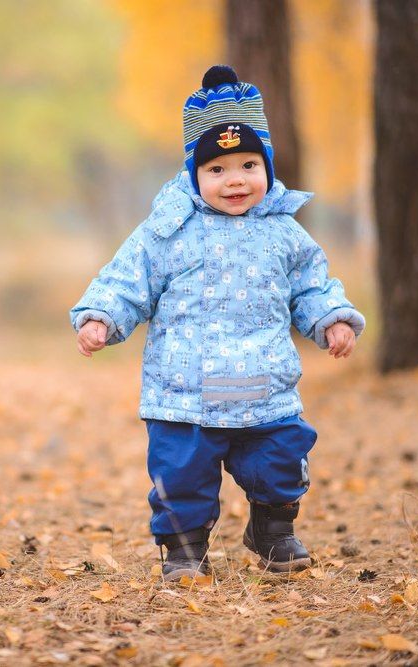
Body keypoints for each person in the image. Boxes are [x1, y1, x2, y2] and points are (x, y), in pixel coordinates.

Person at [69, 65, 364, 580]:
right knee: (181, 477)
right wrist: (103, 317)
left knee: (280, 462)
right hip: (183, 392)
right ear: (193, 175)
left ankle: (273, 531)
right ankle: (184, 550)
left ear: (268, 167)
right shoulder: (167, 230)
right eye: (217, 170)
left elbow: (312, 284)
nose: (235, 180)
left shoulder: (284, 232)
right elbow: (127, 279)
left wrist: (330, 320)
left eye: (249, 165)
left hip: (264, 387)